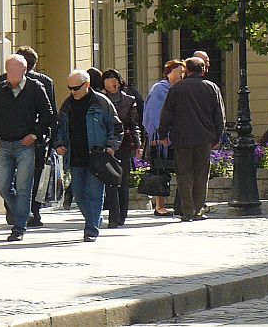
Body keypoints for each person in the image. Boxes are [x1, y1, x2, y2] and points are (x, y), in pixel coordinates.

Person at [0, 54, 54, 242]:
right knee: (3, 186)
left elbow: (48, 116)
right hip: (5, 144)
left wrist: (34, 135)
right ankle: (24, 213)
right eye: (8, 69)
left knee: (23, 188)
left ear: (24, 70)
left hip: (25, 146)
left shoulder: (36, 88)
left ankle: (19, 228)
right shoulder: (0, 90)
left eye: (15, 69)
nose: (11, 73)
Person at [55, 69, 122, 242]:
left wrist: (110, 146)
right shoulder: (67, 105)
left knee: (94, 193)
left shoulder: (101, 103)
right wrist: (60, 144)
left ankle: (91, 229)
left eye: (76, 88)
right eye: (70, 88)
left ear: (87, 85)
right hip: (75, 156)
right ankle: (94, 218)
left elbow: (116, 127)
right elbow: (60, 128)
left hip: (97, 156)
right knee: (78, 193)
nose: (72, 91)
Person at [158, 57, 226, 222]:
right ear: (203, 70)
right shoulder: (212, 88)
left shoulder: (177, 88)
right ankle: (197, 209)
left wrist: (163, 134)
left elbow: (167, 113)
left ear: (186, 70)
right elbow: (220, 115)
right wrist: (217, 136)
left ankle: (187, 210)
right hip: (204, 138)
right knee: (201, 175)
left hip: (181, 138)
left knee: (183, 174)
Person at [101, 69, 143, 228]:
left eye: (113, 79)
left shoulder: (129, 100)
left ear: (119, 81)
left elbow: (134, 124)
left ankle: (122, 214)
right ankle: (113, 216)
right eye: (107, 79)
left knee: (123, 180)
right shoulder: (100, 99)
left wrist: (138, 145)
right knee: (110, 181)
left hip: (125, 144)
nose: (110, 82)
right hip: (107, 144)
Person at [143, 59, 186, 216]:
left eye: (183, 73)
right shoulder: (160, 89)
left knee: (179, 169)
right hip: (160, 139)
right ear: (169, 72)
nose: (182, 75)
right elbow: (156, 115)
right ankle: (159, 206)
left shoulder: (178, 89)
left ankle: (179, 205)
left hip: (174, 137)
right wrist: (162, 135)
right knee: (159, 170)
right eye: (179, 72)